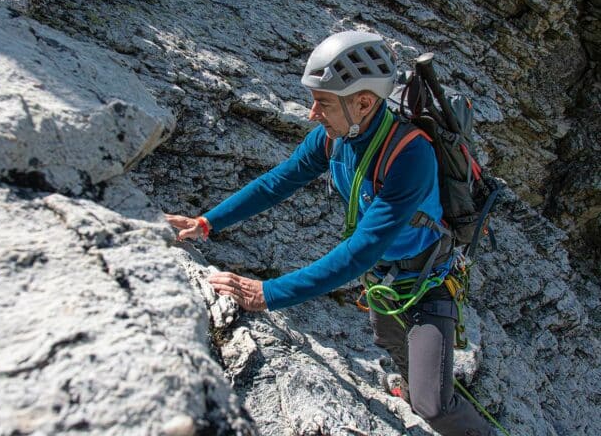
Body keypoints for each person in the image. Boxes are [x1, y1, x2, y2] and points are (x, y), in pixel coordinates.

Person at [166, 31, 493, 436]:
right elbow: (278, 181)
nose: (311, 114)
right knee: (391, 342)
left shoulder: (411, 155)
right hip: (386, 282)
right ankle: (409, 386)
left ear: (363, 102)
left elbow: (360, 252)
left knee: (434, 406)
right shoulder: (336, 137)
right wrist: (207, 222)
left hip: (427, 284)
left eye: (322, 103)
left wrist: (267, 294)